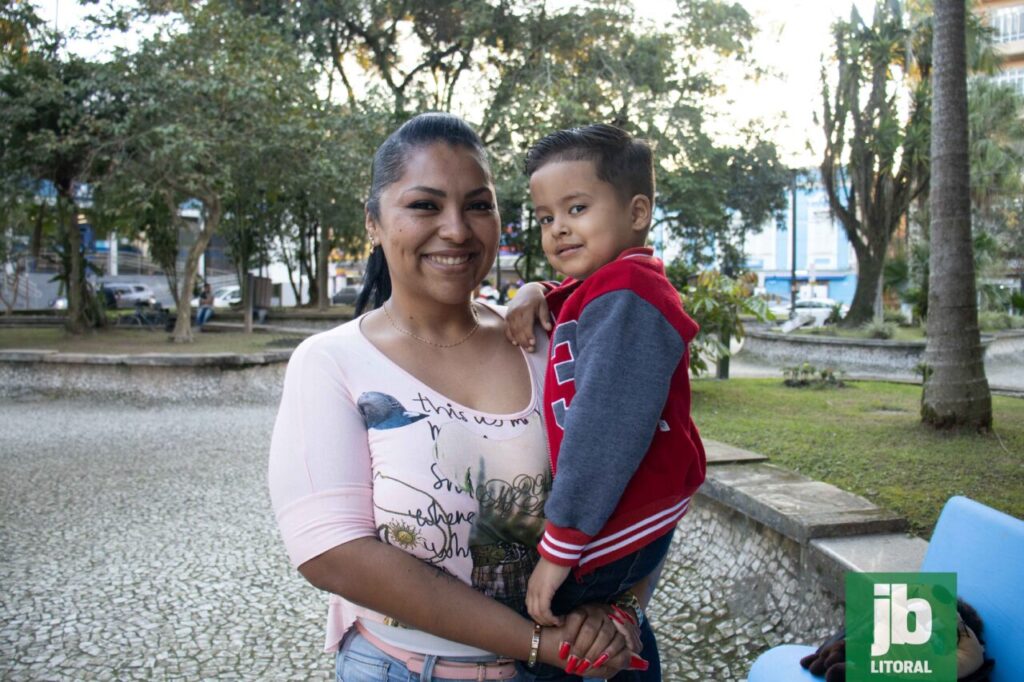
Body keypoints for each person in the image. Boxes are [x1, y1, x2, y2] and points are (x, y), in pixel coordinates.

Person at [267, 113, 649, 681]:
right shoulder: (332, 362)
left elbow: (648, 473)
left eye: (478, 205)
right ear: (373, 222)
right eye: (424, 205)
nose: (456, 230)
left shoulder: (551, 340)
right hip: (408, 669)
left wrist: (620, 609)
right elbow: (333, 552)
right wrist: (541, 642)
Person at [505, 124, 708, 679]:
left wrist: (557, 549)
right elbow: (576, 303)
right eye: (546, 218)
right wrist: (534, 291)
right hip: (615, 515)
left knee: (561, 640)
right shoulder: (615, 287)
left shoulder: (630, 298)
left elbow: (600, 434)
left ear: (637, 212)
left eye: (577, 208)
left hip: (608, 519)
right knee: (607, 636)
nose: (558, 229)